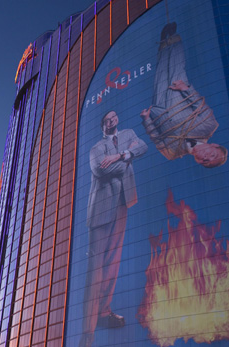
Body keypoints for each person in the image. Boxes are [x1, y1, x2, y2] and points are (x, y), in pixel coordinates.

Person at [80, 111, 147, 347]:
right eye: (107, 119)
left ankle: (104, 313)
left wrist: (121, 154)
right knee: (95, 270)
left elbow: (142, 147)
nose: (113, 121)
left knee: (113, 263)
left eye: (115, 117)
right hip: (100, 210)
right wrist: (126, 162)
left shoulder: (128, 134)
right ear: (102, 125)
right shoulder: (96, 148)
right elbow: (102, 170)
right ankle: (87, 333)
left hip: (122, 203)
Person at [140, 22, 227, 168]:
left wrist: (147, 119)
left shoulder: (172, 153)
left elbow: (156, 138)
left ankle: (163, 43)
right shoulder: (209, 126)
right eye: (212, 155)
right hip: (178, 97)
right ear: (215, 145)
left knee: (161, 72)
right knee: (176, 67)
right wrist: (185, 88)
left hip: (159, 109)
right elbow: (200, 106)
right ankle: (173, 37)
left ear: (199, 162)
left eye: (206, 162)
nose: (206, 157)